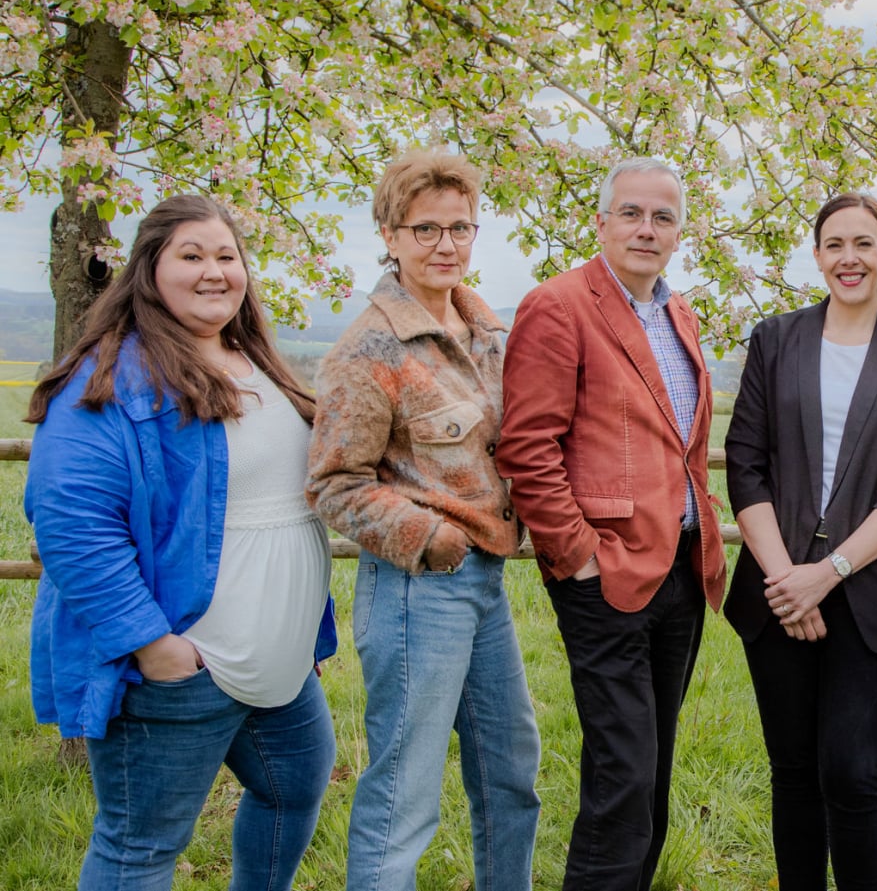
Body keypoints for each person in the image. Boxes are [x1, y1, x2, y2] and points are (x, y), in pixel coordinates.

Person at [25, 195, 336, 890]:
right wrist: (153, 646)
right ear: (149, 270)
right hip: (184, 659)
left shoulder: (255, 361)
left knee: (294, 785)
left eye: (226, 256)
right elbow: (72, 526)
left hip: (278, 661)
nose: (213, 271)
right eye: (190, 256)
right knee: (141, 845)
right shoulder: (109, 378)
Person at [307, 150, 541, 890]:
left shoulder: (484, 332)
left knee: (511, 769)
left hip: (485, 586)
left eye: (460, 227)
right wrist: (433, 541)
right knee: (404, 792)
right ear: (389, 233)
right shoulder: (370, 347)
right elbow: (336, 484)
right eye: (426, 228)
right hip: (418, 588)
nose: (446, 244)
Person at [496, 156, 727, 891]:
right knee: (621, 774)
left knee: (651, 769)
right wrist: (579, 556)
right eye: (630, 212)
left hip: (681, 569)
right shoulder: (558, 305)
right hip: (606, 573)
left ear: (679, 232)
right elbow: (527, 444)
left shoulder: (677, 312)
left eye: (662, 217)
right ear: (599, 222)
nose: (645, 228)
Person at [723, 193, 877, 890]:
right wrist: (790, 577)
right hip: (777, 585)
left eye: (863, 243)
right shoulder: (776, 338)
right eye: (833, 244)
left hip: (867, 591)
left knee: (850, 773)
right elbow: (745, 462)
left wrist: (829, 571)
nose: (848, 258)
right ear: (817, 254)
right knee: (792, 772)